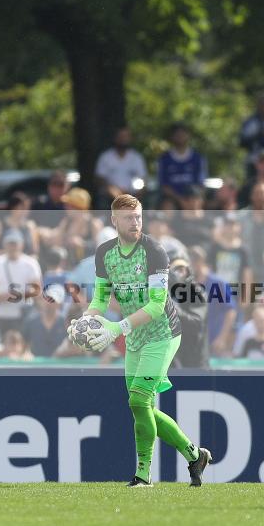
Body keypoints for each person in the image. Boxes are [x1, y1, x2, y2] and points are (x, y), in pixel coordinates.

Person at [70, 193, 211, 488]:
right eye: (128, 218)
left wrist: (115, 329)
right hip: (135, 334)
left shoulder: (155, 251)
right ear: (114, 220)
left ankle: (143, 476)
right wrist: (87, 318)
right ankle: (195, 455)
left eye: (138, 217)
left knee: (139, 399)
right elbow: (100, 298)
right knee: (140, 405)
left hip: (163, 333)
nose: (135, 222)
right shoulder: (104, 254)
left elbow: (157, 305)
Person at [0, 229, 42, 335]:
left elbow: (36, 291)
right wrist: (10, 296)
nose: (12, 247)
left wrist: (15, 295)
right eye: (10, 243)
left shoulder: (30, 263)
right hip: (1, 315)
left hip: (23, 314)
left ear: (21, 244)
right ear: (5, 245)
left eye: (15, 243)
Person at [167, 254, 209, 368]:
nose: (180, 273)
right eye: (175, 269)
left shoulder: (197, 293)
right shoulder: (162, 294)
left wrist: (172, 308)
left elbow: (196, 323)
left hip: (194, 361)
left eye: (182, 269)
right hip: (170, 361)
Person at [157, 122, 208, 208]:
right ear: (172, 137)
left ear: (188, 135)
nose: (180, 137)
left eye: (183, 134)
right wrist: (180, 199)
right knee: (167, 207)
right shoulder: (164, 159)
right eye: (177, 134)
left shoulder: (198, 158)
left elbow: (202, 184)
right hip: (173, 198)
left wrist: (194, 198)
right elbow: (164, 186)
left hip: (193, 197)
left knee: (198, 204)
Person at [95, 127, 147, 207]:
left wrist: (137, 193)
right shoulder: (106, 157)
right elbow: (99, 178)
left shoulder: (137, 158)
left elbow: (143, 179)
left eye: (126, 137)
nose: (123, 139)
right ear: (115, 138)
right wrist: (111, 189)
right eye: (121, 137)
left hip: (133, 195)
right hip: (110, 197)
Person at [23, 284, 66, 357]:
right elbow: (24, 344)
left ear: (60, 304)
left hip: (59, 365)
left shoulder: (65, 323)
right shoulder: (31, 322)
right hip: (35, 365)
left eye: (53, 301)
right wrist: (26, 353)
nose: (49, 303)